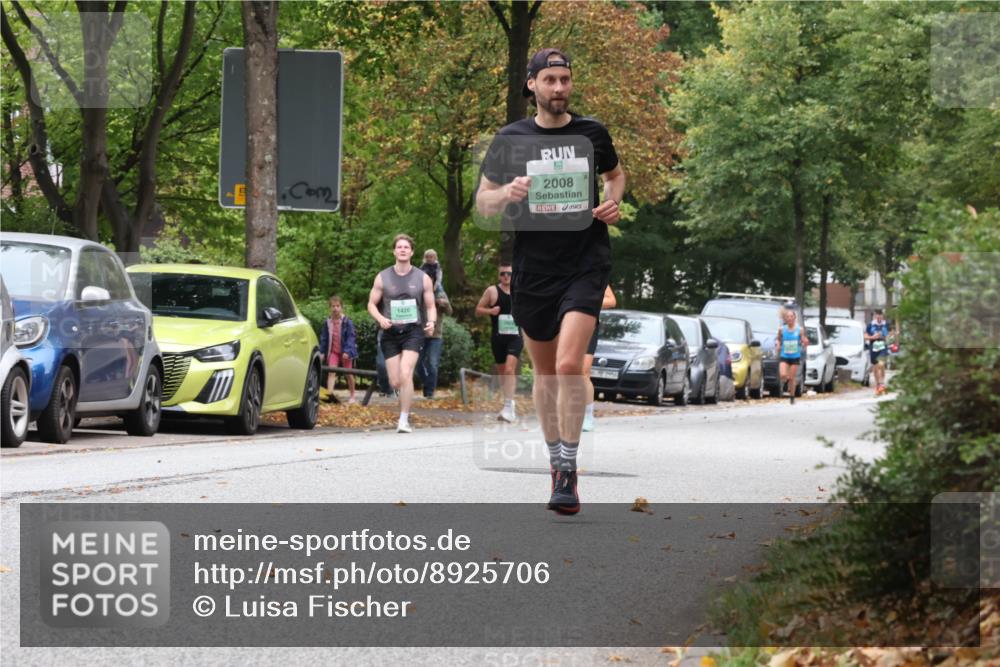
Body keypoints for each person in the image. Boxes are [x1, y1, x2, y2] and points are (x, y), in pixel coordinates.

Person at [475, 48, 626, 515]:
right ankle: (555, 458)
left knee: (567, 365)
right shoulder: (511, 139)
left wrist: (612, 202)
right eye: (550, 79)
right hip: (534, 269)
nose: (559, 87)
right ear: (532, 85)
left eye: (565, 79)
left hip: (585, 261)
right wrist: (507, 192)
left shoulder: (592, 132)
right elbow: (483, 202)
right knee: (543, 373)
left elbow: (616, 176)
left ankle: (568, 469)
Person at [367, 234, 437, 433]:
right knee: (395, 381)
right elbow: (371, 304)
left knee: (406, 373)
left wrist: (431, 322)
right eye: (399, 247)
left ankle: (403, 420)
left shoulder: (423, 278)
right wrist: (380, 318)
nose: (403, 250)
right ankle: (402, 396)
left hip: (413, 331)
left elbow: (430, 306)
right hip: (390, 331)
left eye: (406, 247)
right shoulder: (382, 277)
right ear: (394, 251)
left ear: (412, 252)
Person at [475, 263, 524, 423]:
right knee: (503, 373)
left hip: (515, 337)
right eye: (503, 274)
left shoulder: (520, 290)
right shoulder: (492, 291)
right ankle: (509, 403)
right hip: (498, 338)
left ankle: (508, 407)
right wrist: (490, 311)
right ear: (499, 276)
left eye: (509, 273)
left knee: (510, 369)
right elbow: (478, 310)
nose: (506, 276)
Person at [581, 285, 616, 432]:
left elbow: (611, 301)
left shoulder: (595, 274)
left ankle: (588, 416)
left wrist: (584, 301)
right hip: (563, 324)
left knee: (583, 372)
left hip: (588, 325)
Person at [318, 295, 358, 404]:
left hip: (345, 352)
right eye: (333, 306)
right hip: (334, 352)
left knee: (348, 374)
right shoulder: (328, 322)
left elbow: (351, 337)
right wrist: (322, 352)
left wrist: (348, 351)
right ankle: (329, 396)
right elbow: (324, 338)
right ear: (330, 308)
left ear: (341, 307)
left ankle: (352, 395)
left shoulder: (347, 322)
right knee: (331, 372)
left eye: (337, 306)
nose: (335, 308)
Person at [417, 283, 453, 399]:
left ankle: (429, 392)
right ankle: (427, 383)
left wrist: (444, 304)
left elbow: (450, 312)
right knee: (417, 362)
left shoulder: (440, 293)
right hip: (420, 333)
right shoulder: (418, 289)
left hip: (436, 335)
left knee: (432, 363)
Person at [776, 305, 808, 405]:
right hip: (784, 355)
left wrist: (804, 342)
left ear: (794, 318)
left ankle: (792, 397)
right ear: (785, 319)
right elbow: (778, 339)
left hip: (795, 356)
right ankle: (786, 383)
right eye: (788, 317)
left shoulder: (799, 329)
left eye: (791, 316)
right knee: (783, 375)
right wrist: (778, 344)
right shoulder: (782, 329)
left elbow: (803, 340)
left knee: (792, 378)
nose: (789, 318)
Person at [865, 309, 891, 395]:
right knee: (875, 367)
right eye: (877, 315)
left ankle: (882, 384)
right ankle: (878, 384)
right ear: (875, 316)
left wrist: (886, 336)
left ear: (882, 316)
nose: (879, 317)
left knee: (881, 364)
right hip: (873, 346)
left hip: (883, 346)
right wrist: (873, 337)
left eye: (880, 315)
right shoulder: (870, 325)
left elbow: (890, 333)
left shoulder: (886, 324)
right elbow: (865, 336)